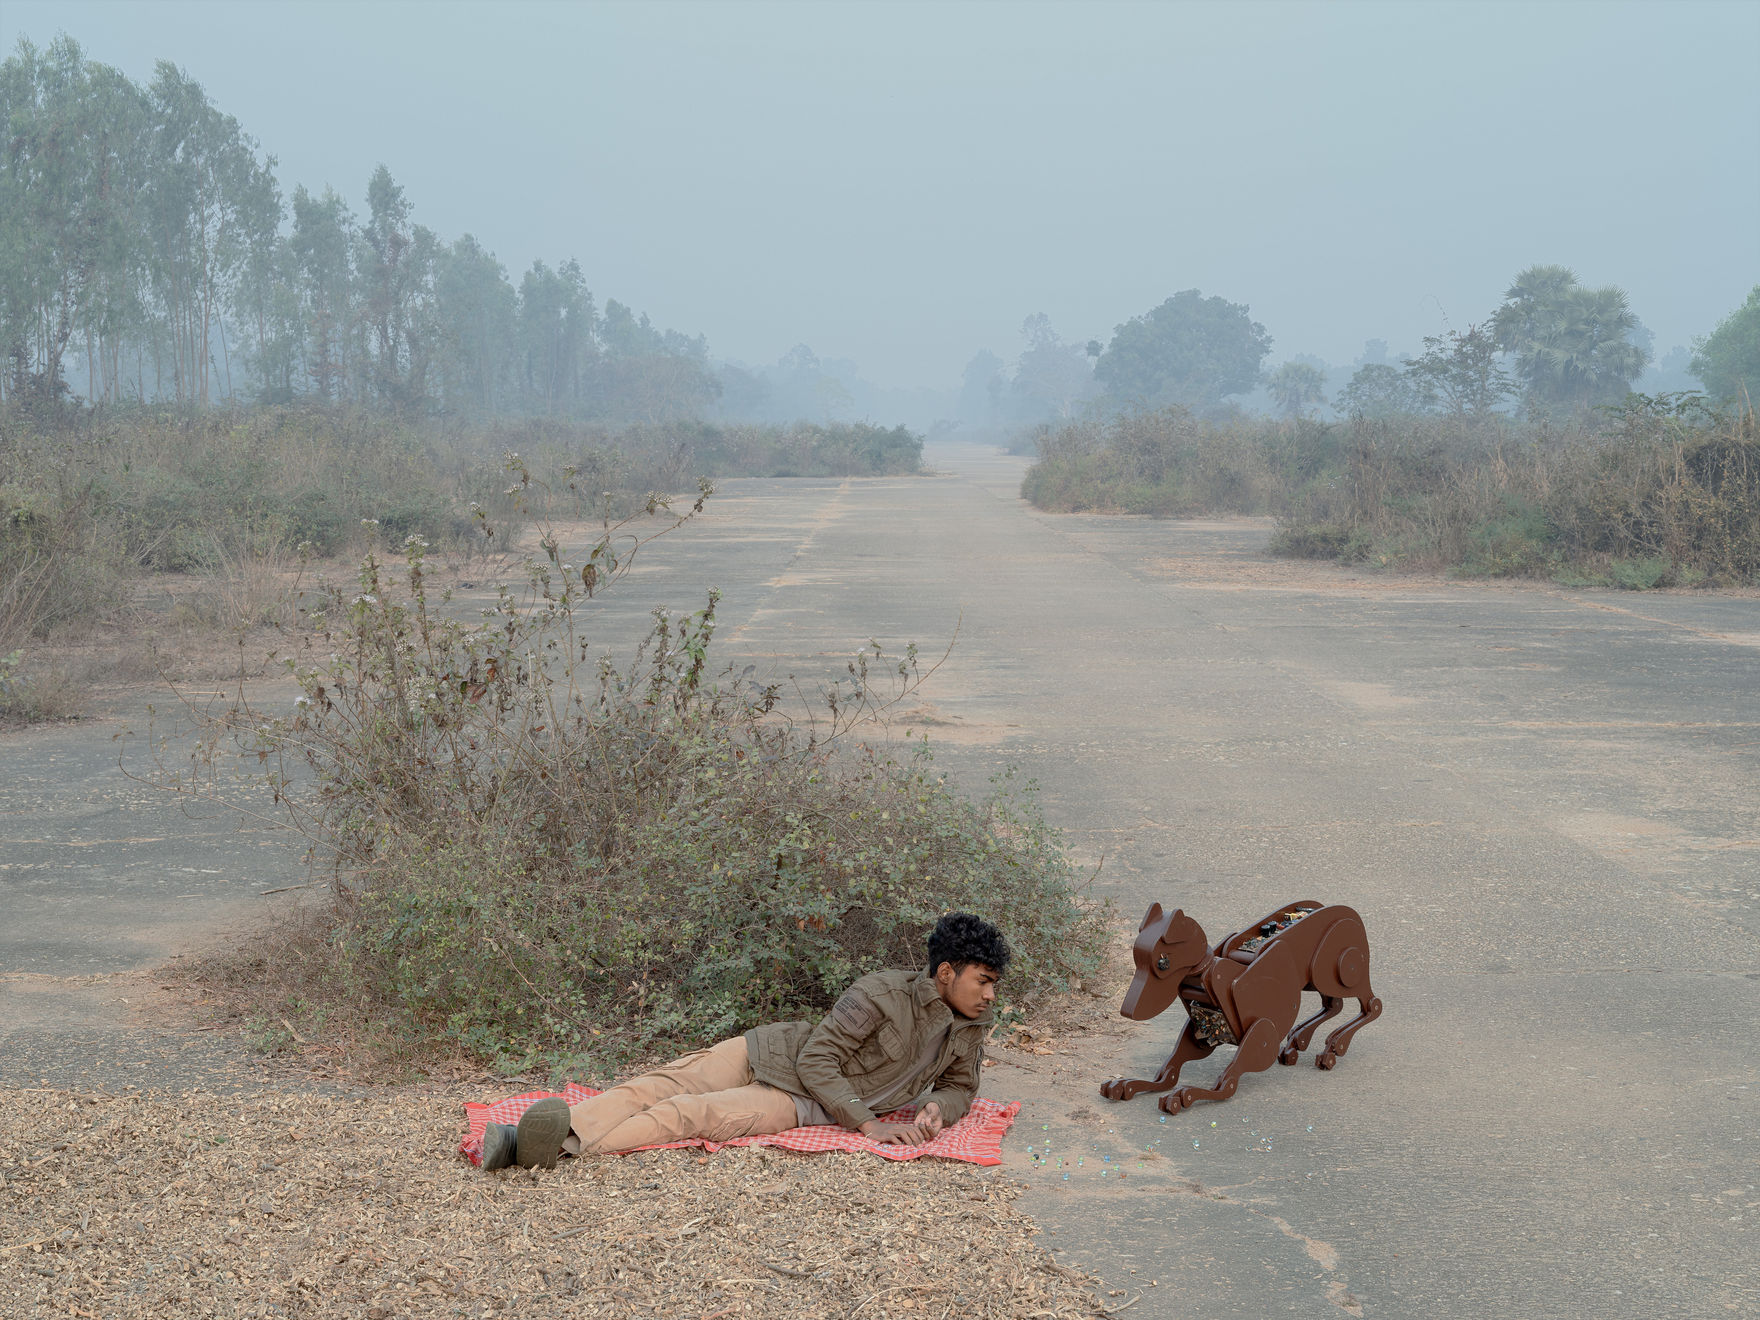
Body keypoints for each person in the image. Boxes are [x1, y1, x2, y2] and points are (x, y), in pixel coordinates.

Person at [481, 912, 1009, 1171]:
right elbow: (819, 1055)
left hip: (801, 1102)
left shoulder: (970, 1026)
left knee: (690, 1113)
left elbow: (962, 1086)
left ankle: (550, 1148)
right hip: (771, 1053)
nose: (989, 995)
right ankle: (556, 1131)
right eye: (982, 980)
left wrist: (939, 1105)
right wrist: (868, 1123)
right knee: (659, 1084)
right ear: (945, 972)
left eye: (993, 985)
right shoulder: (882, 992)